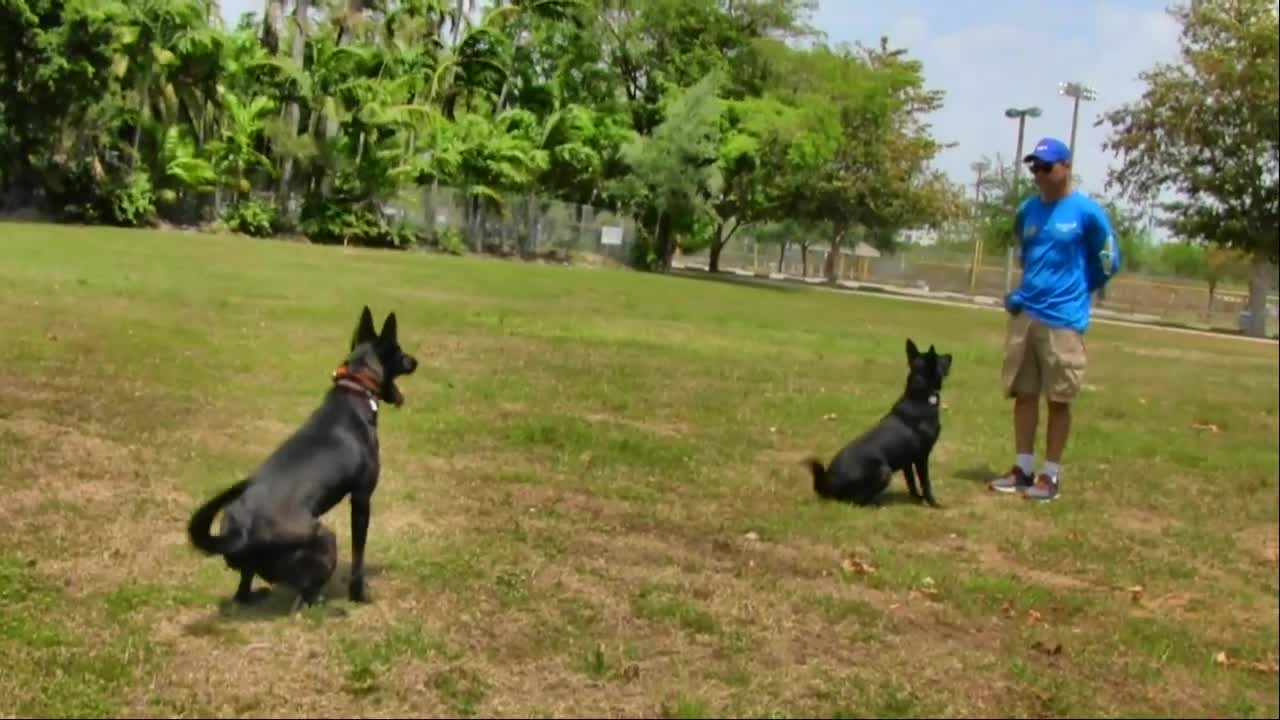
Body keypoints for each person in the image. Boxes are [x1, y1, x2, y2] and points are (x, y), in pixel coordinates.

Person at [990, 137, 1120, 502]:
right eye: (1034, 167)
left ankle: (1051, 476)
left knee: (1058, 399)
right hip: (1026, 316)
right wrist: (1021, 294)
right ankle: (1022, 469)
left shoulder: (1087, 213)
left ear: (1066, 168)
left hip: (1063, 321)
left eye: (1046, 167)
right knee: (1024, 394)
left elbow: (1109, 261)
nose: (1039, 174)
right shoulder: (1027, 211)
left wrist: (1081, 289)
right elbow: (1027, 256)